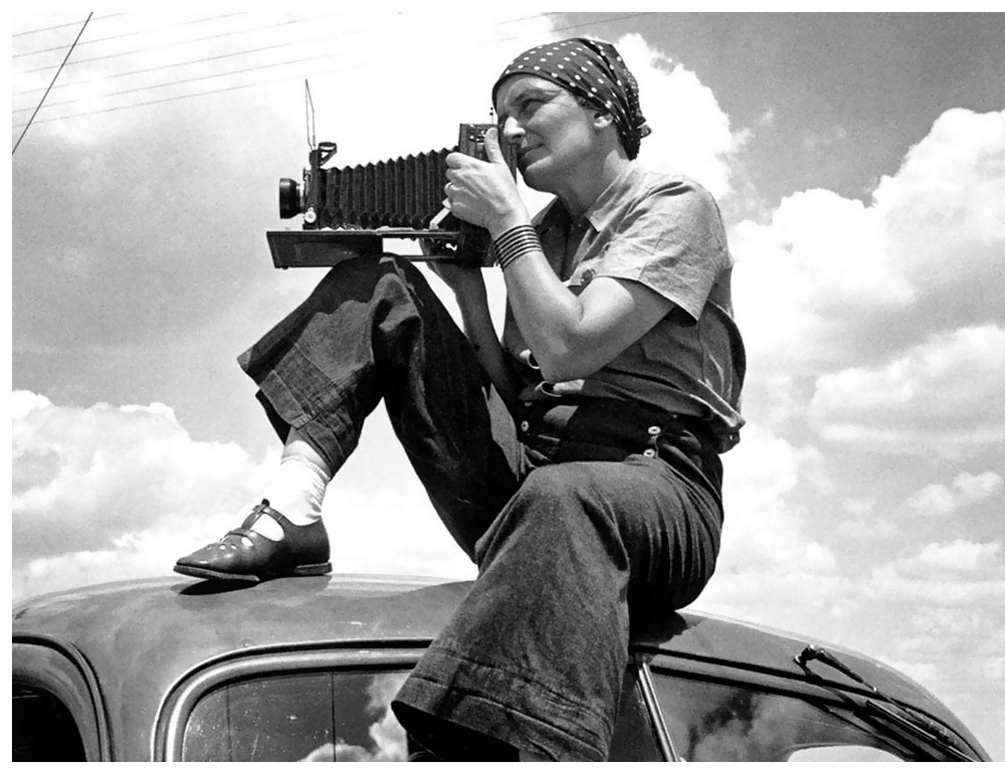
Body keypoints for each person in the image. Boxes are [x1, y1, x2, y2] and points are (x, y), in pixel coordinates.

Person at [174, 37, 745, 761]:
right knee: (381, 287)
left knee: (566, 499)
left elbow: (573, 345)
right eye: (500, 115)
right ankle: (294, 506)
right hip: (540, 473)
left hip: (655, 485)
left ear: (601, 110)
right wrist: (468, 293)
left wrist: (505, 227)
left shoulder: (672, 204)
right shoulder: (543, 235)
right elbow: (525, 385)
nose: (509, 131)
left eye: (530, 106)